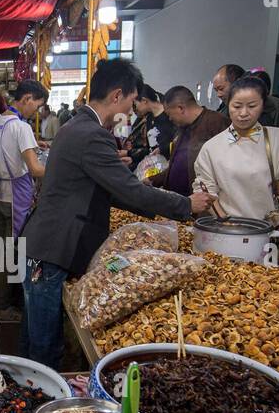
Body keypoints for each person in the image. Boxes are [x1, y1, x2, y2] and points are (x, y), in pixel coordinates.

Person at [21, 60, 196, 369]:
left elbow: (108, 189)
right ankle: (41, 409)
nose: (130, 113)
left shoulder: (77, 126)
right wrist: (186, 206)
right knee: (45, 349)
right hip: (53, 249)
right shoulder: (91, 134)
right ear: (117, 96)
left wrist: (149, 207)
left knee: (38, 337)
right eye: (129, 104)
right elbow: (130, 190)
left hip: (45, 243)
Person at [195, 75, 279, 234]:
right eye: (237, 106)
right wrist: (229, 226)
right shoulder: (212, 147)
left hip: (274, 231)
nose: (243, 113)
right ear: (228, 105)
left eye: (252, 106)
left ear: (263, 105)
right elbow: (206, 190)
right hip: (230, 233)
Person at [0, 81, 48, 320]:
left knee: (2, 252)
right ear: (28, 98)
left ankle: (3, 302)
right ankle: (6, 307)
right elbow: (34, 169)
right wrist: (62, 168)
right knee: (15, 254)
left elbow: (5, 152)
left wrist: (33, 146)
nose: (36, 111)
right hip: (16, 197)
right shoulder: (21, 127)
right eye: (37, 105)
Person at [148, 84, 229, 197]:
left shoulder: (216, 123)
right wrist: (152, 180)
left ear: (180, 108)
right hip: (179, 202)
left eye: (169, 114)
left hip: (203, 202)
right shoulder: (182, 128)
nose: (170, 119)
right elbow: (177, 166)